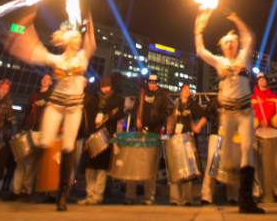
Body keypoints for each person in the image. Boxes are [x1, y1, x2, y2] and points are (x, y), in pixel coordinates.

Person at [4, 7, 96, 211]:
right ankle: (35, 185)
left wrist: (89, 21)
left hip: (74, 107)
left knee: (68, 147)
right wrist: (24, 22)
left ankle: (62, 195)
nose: (75, 40)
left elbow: (91, 41)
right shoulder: (56, 59)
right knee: (45, 141)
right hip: (56, 104)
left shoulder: (82, 58)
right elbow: (31, 49)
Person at [194, 9, 264, 214]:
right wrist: (199, 29)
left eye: (233, 42)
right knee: (227, 153)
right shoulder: (219, 62)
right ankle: (229, 176)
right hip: (228, 113)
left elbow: (249, 37)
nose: (230, 45)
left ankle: (246, 201)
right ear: (222, 47)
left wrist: (235, 18)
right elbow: (200, 51)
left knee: (247, 150)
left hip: (245, 111)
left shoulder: (244, 57)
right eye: (226, 43)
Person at [125, 73, 171, 205]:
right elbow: (134, 111)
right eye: (150, 82)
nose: (151, 84)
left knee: (151, 167)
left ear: (157, 83)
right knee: (133, 165)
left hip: (153, 133)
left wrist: (147, 124)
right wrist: (136, 121)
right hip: (139, 133)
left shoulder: (162, 96)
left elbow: (163, 116)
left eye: (154, 82)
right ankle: (130, 195)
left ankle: (149, 197)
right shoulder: (142, 94)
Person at [79, 76, 123, 205]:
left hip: (106, 136)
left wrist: (108, 118)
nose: (105, 88)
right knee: (90, 167)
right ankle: (89, 194)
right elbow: (87, 116)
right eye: (103, 86)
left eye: (107, 86)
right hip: (93, 135)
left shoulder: (117, 99)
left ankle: (98, 195)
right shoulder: (94, 99)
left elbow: (120, 116)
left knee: (102, 168)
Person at [8, 73, 53, 201]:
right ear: (41, 81)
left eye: (48, 79)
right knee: (21, 161)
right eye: (43, 78)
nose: (45, 80)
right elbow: (27, 112)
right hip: (29, 130)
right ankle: (15, 191)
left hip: (41, 131)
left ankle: (27, 191)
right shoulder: (34, 95)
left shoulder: (51, 96)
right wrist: (21, 128)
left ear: (50, 83)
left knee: (33, 163)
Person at [167, 83, 207, 205]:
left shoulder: (193, 105)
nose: (186, 91)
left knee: (188, 169)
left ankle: (187, 199)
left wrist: (197, 127)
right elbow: (169, 117)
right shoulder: (175, 104)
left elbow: (205, 115)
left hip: (188, 138)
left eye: (188, 90)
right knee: (175, 168)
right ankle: (174, 198)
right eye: (184, 89)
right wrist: (169, 127)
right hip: (175, 138)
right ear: (180, 91)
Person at [251, 72, 277, 204]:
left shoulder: (275, 97)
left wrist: (272, 121)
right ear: (257, 82)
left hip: (272, 131)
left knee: (276, 163)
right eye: (260, 79)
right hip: (257, 132)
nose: (262, 81)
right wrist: (258, 122)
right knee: (256, 163)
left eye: (264, 79)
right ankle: (257, 191)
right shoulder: (252, 98)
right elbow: (249, 114)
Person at [200, 96, 239, 206]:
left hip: (231, 136)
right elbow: (206, 115)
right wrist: (198, 126)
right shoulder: (214, 101)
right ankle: (206, 195)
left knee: (232, 165)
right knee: (212, 164)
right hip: (216, 135)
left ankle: (233, 196)